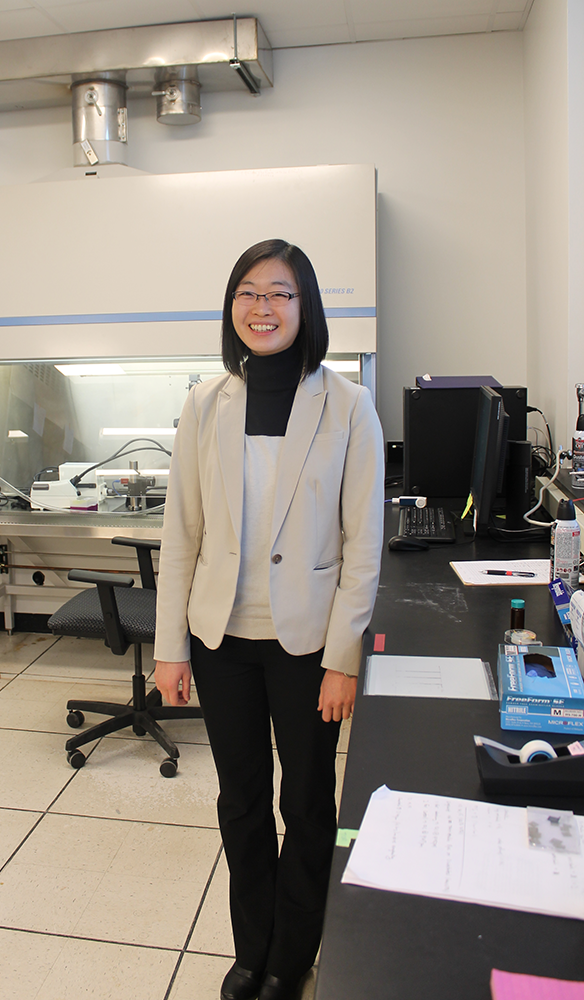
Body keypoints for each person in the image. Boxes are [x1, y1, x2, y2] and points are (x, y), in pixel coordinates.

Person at [154, 239, 384, 1000]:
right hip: (221, 641)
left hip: (307, 644)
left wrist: (344, 658)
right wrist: (170, 650)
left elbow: (362, 546)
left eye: (280, 293)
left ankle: (294, 957)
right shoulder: (203, 402)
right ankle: (251, 951)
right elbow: (181, 534)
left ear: (306, 306)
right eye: (248, 293)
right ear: (232, 308)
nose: (262, 307)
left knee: (308, 803)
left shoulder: (348, 404)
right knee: (243, 801)